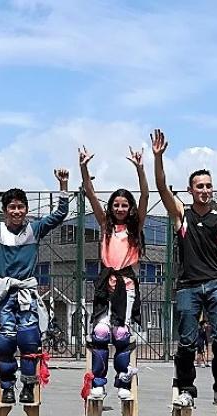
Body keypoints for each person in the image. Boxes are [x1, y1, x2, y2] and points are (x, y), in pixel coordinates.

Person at [152, 129, 217, 408]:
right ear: (190, 190)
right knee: (188, 342)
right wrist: (158, 158)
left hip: (215, 284)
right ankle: (186, 390)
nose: (204, 190)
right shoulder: (183, 216)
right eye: (199, 186)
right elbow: (161, 187)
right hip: (189, 286)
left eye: (208, 186)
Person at [0, 160, 71, 405]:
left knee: (29, 340)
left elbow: (60, 214)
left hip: (26, 293)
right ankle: (7, 387)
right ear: (5, 210)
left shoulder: (35, 229)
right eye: (11, 207)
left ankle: (28, 386)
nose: (16, 211)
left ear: (26, 209)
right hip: (5, 294)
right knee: (5, 340)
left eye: (20, 207)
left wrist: (63, 185)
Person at [78, 144, 149, 401]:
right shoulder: (105, 225)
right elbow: (89, 192)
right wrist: (84, 167)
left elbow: (145, 196)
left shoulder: (135, 227)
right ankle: (98, 383)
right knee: (100, 333)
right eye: (116, 204)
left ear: (129, 208)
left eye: (124, 205)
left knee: (120, 334)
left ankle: (123, 382)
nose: (120, 208)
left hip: (126, 288)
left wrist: (141, 169)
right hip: (104, 287)